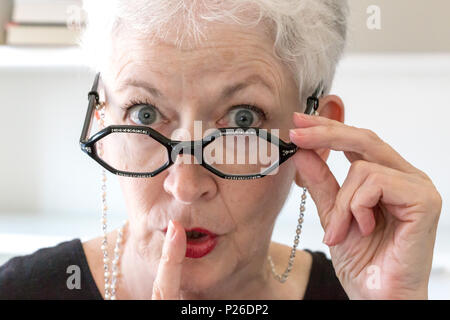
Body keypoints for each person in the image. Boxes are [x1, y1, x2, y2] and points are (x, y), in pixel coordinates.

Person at [0, 0, 442, 300]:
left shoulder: (361, 291)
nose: (187, 186)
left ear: (319, 133)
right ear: (103, 119)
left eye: (242, 119)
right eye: (145, 115)